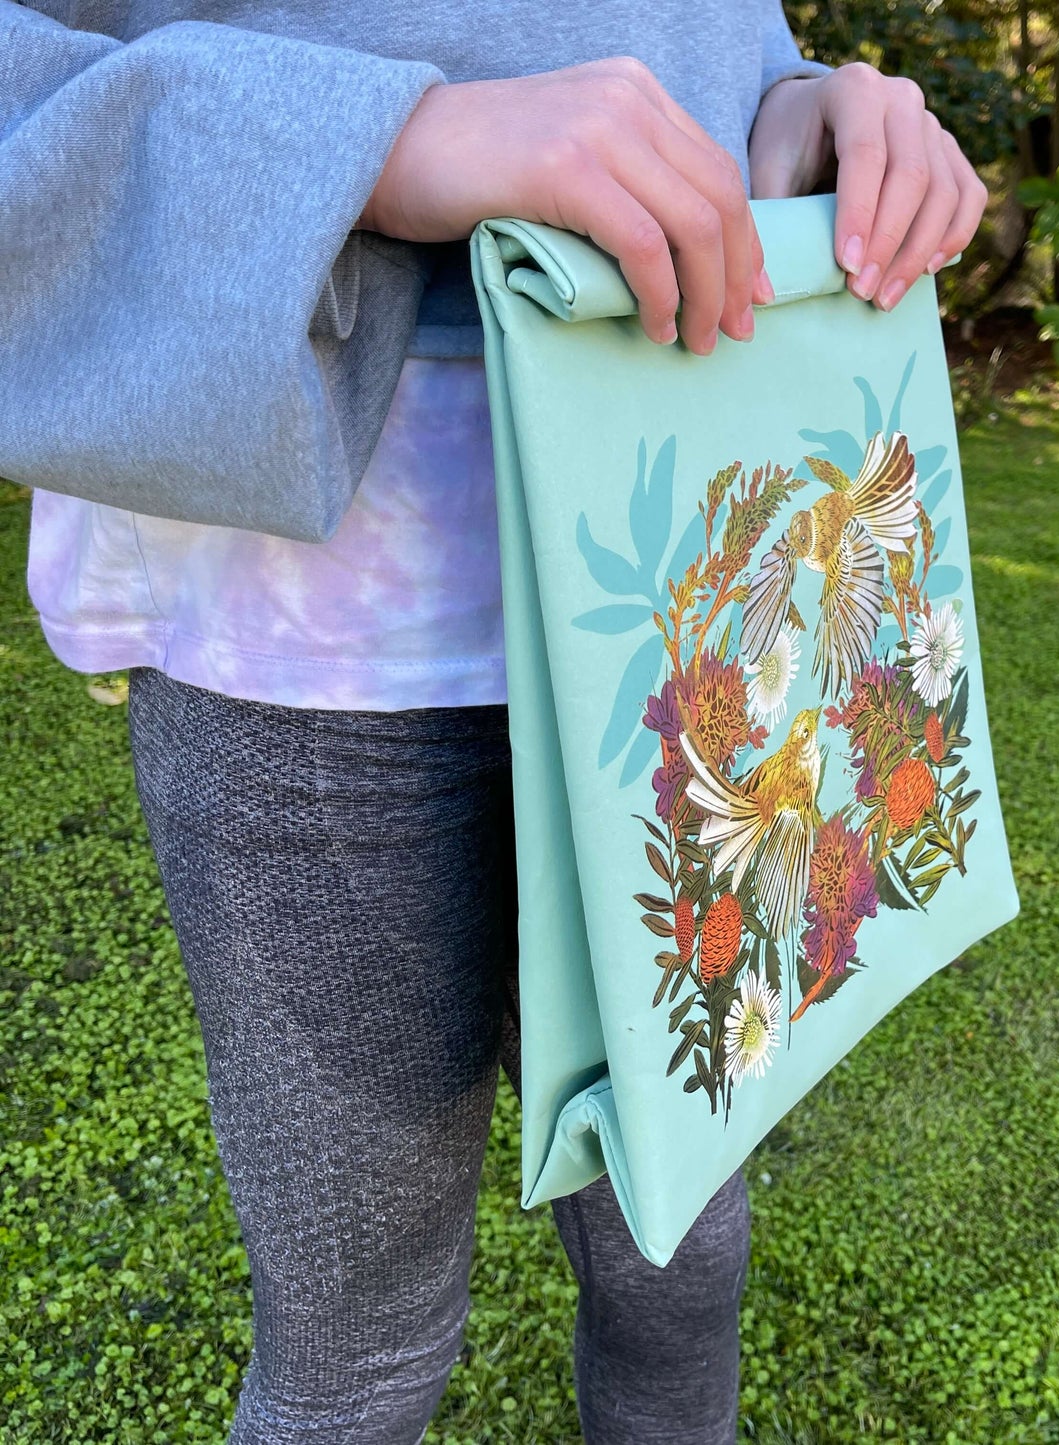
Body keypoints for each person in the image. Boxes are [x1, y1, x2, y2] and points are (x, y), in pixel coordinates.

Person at [1, 3, 987, 1441]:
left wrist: (797, 103)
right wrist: (378, 138)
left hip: (700, 560)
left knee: (683, 1254)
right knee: (358, 1355)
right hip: (312, 605)